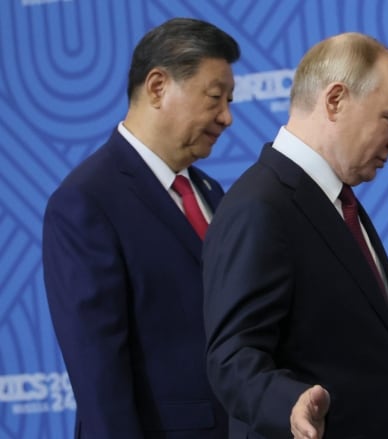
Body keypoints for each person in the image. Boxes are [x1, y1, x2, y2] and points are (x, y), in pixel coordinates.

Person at [202, 32, 388, 439]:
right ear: (335, 101)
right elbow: (231, 355)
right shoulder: (260, 205)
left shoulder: (336, 198)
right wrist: (289, 403)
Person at [41, 18, 240, 438]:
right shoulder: (86, 200)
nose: (226, 117)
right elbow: (98, 373)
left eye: (230, 101)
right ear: (157, 87)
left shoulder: (210, 191)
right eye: (215, 98)